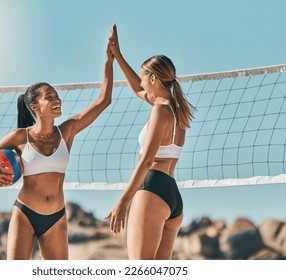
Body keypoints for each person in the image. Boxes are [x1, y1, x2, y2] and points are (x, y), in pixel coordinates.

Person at [0, 26, 115, 260]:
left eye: (56, 95)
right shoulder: (21, 136)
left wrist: (109, 59)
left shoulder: (67, 131)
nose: (57, 99)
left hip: (56, 217)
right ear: (35, 107)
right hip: (25, 213)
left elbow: (104, 101)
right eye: (49, 97)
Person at [105, 24, 195, 260]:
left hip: (152, 190)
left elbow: (146, 161)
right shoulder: (178, 111)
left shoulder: (160, 111)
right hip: (172, 197)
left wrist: (122, 202)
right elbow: (137, 89)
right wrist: (118, 56)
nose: (142, 84)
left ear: (154, 78)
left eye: (144, 78)